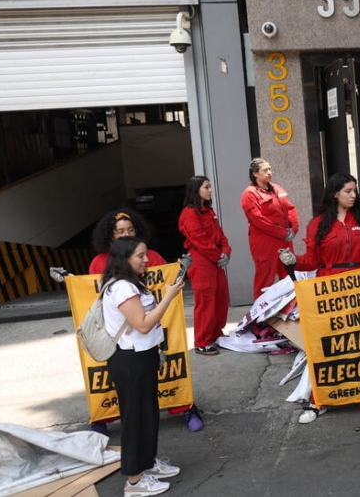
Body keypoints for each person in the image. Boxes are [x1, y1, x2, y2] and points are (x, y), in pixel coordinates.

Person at [50, 210, 204, 434]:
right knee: (108, 377)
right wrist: (72, 283)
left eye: (130, 230)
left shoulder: (150, 255)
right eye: (120, 231)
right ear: (109, 236)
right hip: (119, 335)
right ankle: (103, 418)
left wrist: (181, 269)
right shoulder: (100, 262)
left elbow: (168, 282)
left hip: (153, 327)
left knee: (170, 368)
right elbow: (93, 294)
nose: (126, 235)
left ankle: (184, 406)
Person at [277, 173, 360, 424]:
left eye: (355, 191)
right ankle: (319, 399)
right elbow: (313, 260)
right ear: (334, 194)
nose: (353, 195)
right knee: (330, 345)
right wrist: (293, 260)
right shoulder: (318, 224)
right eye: (348, 191)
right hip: (331, 290)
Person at [101, 236, 186, 497]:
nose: (146, 260)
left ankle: (146, 463)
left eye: (145, 254)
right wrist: (168, 297)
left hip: (141, 357)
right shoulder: (122, 288)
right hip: (130, 360)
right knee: (135, 418)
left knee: (147, 413)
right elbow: (143, 324)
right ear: (124, 258)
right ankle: (134, 481)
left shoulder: (130, 283)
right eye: (140, 256)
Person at [178, 176, 232, 356]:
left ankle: (215, 334)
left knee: (220, 298)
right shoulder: (189, 213)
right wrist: (218, 256)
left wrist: (226, 251)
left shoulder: (207, 211)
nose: (210, 190)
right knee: (206, 301)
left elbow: (220, 234)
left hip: (214, 259)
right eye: (206, 187)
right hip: (202, 261)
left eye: (210, 187)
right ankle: (202, 341)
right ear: (196, 190)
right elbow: (200, 240)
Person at [241, 158, 299, 300]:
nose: (269, 172)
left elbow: (290, 209)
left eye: (270, 169)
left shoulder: (277, 189)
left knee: (289, 277)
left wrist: (293, 229)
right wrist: (283, 233)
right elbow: (258, 220)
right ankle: (261, 318)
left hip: (284, 240)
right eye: (265, 170)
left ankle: (290, 313)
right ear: (255, 173)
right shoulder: (249, 194)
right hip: (265, 243)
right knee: (265, 280)